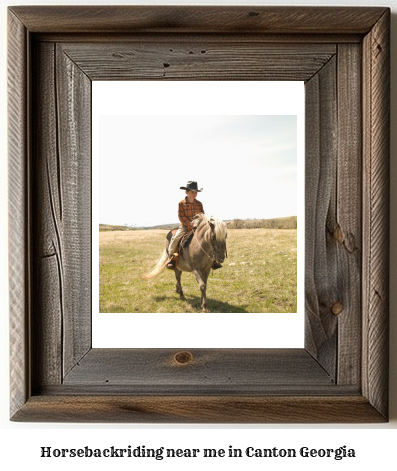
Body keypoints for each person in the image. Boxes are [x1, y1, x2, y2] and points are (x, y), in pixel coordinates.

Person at [166, 181, 222, 270]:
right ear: (186, 192)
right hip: (185, 226)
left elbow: (202, 215)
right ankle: (172, 258)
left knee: (210, 238)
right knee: (176, 238)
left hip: (198, 227)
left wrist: (198, 223)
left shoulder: (199, 203)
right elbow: (181, 216)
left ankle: (213, 260)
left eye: (196, 192)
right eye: (192, 192)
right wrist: (189, 224)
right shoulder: (181, 203)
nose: (194, 194)